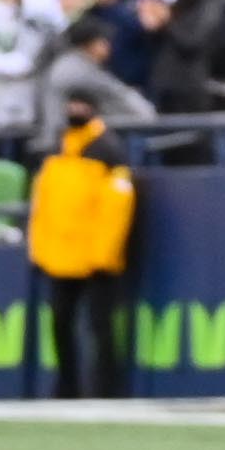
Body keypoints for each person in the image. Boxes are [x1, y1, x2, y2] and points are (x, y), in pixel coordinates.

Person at [25, 91, 136, 399]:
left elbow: (117, 207)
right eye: (71, 105)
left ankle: (107, 390)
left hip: (94, 256)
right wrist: (39, 249)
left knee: (101, 325)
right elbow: (43, 205)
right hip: (61, 255)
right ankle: (67, 387)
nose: (74, 110)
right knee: (60, 322)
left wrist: (104, 254)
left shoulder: (108, 149)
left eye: (80, 105)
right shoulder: (58, 148)